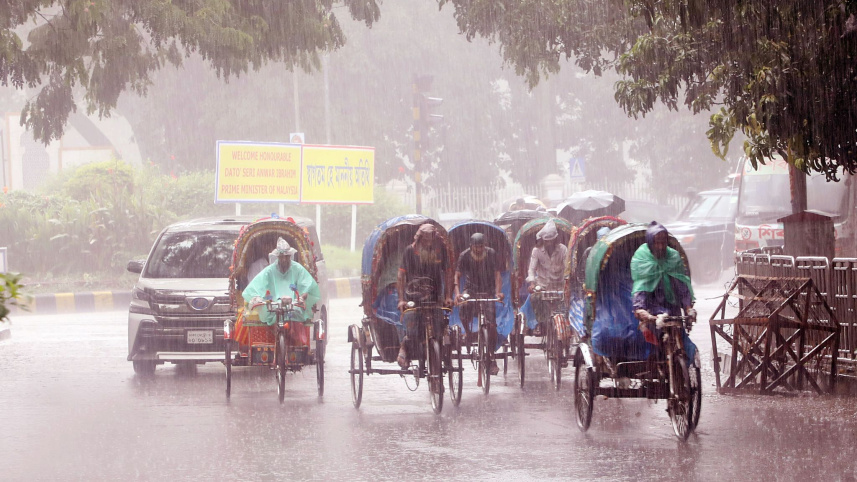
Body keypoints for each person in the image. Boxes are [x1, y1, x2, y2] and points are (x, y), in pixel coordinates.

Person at [243, 237, 321, 345]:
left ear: (290, 256)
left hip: (293, 305)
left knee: (297, 313)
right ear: (277, 257)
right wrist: (257, 297)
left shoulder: (298, 269)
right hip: (274, 305)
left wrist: (302, 297)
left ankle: (296, 341)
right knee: (267, 312)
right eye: (281, 257)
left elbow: (307, 285)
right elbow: (256, 286)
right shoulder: (269, 271)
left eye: (286, 257)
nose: (284, 260)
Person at [396, 223, 453, 368]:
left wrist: (448, 296)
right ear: (420, 238)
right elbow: (401, 276)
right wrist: (401, 299)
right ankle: (405, 346)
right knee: (412, 328)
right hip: (414, 295)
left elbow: (448, 273)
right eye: (425, 239)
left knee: (440, 326)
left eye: (431, 239)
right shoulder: (410, 251)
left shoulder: (440, 251)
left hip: (435, 294)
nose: (428, 243)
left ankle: (442, 352)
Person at [631, 222, 697, 345]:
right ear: (650, 243)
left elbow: (681, 286)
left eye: (663, 242)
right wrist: (643, 312)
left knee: (682, 345)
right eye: (657, 243)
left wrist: (689, 309)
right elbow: (641, 288)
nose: (660, 247)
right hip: (652, 309)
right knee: (654, 347)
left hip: (673, 309)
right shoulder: (642, 259)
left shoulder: (673, 257)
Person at [454, 233, 504, 374]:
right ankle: (468, 333)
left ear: (484, 246)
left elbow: (497, 275)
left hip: (488, 290)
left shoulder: (491, 254)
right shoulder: (464, 255)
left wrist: (498, 292)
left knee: (492, 325)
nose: (479, 249)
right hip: (470, 289)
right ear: (471, 246)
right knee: (464, 307)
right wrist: (458, 293)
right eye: (476, 247)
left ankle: (491, 356)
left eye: (481, 246)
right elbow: (457, 275)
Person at [526, 220, 568, 332]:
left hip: (559, 285)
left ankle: (565, 324)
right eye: (546, 241)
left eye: (551, 241)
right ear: (542, 240)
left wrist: (568, 281)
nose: (549, 244)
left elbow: (567, 268)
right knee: (535, 298)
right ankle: (541, 322)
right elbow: (532, 269)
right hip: (542, 285)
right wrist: (532, 283)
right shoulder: (536, 251)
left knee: (567, 302)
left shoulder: (563, 249)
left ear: (555, 239)